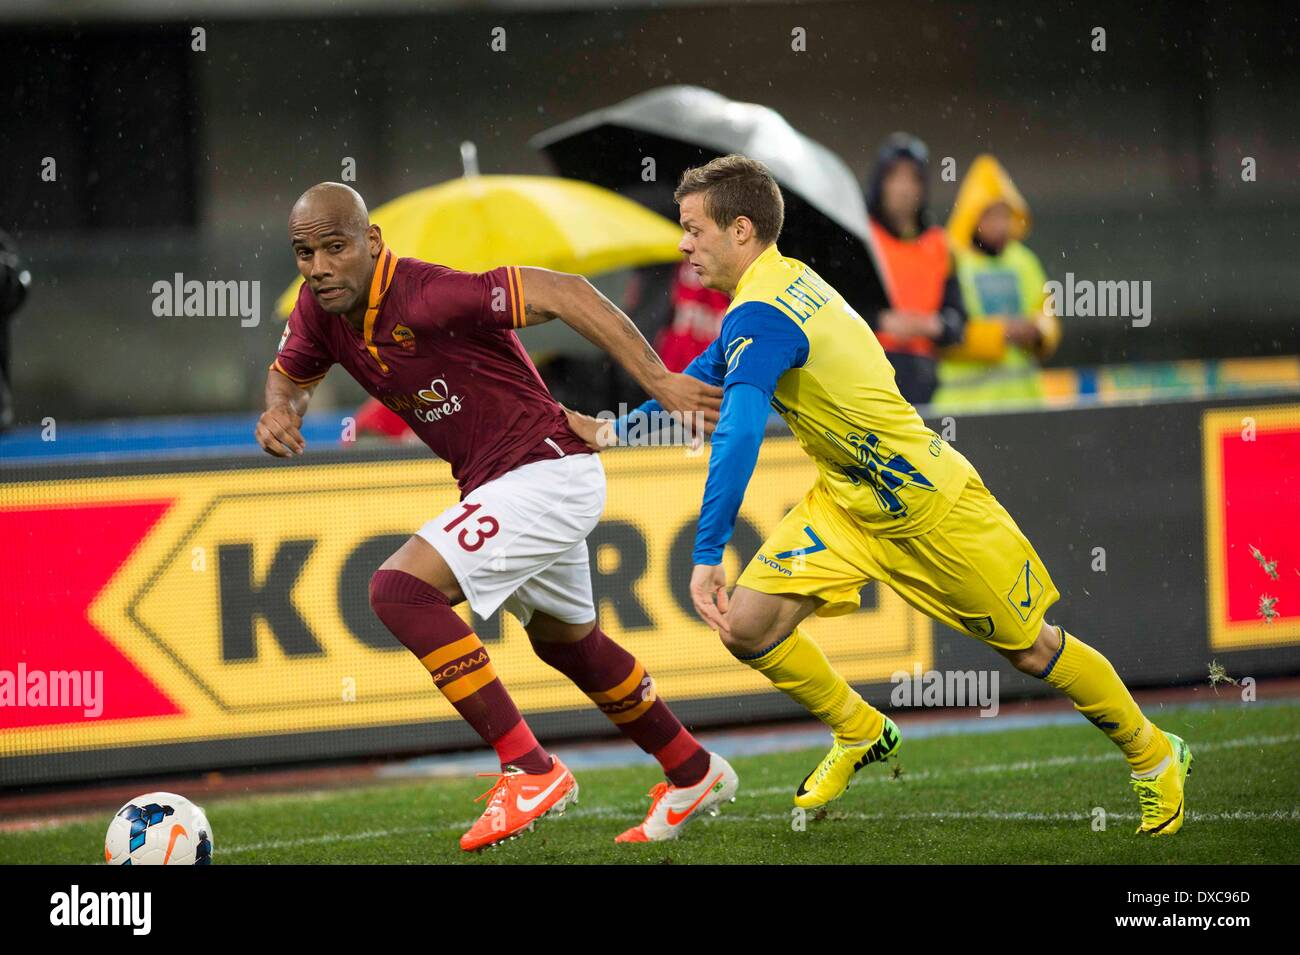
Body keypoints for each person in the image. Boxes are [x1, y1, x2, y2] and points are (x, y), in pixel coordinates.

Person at [568, 156, 1193, 836]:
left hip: (929, 504)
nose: (683, 244)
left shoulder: (761, 312)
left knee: (1032, 650)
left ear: (741, 229)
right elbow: (694, 389)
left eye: (693, 229)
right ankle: (860, 728)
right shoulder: (780, 286)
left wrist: (708, 550)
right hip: (847, 505)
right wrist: (611, 430)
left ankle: (1156, 753)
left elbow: (739, 433)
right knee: (745, 626)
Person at [255, 182, 738, 851]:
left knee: (398, 589)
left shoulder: (428, 294)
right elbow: (289, 373)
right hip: (512, 479)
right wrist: (283, 407)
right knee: (568, 643)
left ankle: (530, 767)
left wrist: (658, 381)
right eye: (304, 252)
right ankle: (692, 767)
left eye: (333, 247)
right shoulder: (319, 309)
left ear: (371, 242)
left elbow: (567, 291)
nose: (317, 266)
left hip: (544, 472)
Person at [932, 155, 1061, 409]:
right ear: (972, 216)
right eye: (991, 216)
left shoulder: (1024, 261)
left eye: (1005, 215)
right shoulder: (949, 260)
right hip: (965, 409)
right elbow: (941, 336)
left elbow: (1048, 316)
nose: (1001, 225)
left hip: (1026, 406)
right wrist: (1002, 333)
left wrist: (1039, 332)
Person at [864, 134, 966, 406]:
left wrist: (935, 325)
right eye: (895, 177)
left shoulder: (939, 245)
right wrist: (882, 321)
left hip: (925, 384)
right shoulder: (862, 238)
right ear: (881, 184)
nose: (904, 189)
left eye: (913, 179)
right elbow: (834, 309)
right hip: (868, 378)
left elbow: (958, 319)